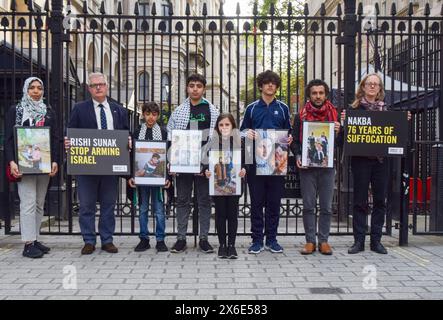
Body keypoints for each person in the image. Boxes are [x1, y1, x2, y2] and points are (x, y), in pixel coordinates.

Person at [344, 73, 411, 255]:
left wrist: (403, 123)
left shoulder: (388, 111)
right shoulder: (354, 110)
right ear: (363, 87)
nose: (372, 87)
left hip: (381, 163)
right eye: (369, 84)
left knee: (380, 201)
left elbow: (396, 136)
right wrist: (343, 125)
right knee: (359, 201)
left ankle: (376, 241)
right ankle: (359, 241)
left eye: (376, 84)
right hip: (361, 162)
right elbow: (344, 140)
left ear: (380, 89)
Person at [66, 72, 129, 255]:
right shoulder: (79, 108)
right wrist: (69, 141)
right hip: (87, 165)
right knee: (86, 204)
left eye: (101, 84)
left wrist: (128, 141)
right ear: (89, 88)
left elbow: (125, 133)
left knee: (109, 204)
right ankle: (89, 240)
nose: (99, 88)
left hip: (110, 166)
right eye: (95, 85)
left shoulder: (118, 109)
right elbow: (71, 131)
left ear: (107, 86)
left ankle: (107, 240)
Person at [5, 76, 59, 258]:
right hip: (23, 164)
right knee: (28, 203)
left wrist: (55, 161)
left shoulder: (48, 111)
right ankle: (28, 244)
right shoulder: (17, 110)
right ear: (26, 90)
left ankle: (35, 238)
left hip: (43, 164)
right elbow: (9, 139)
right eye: (32, 88)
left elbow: (55, 139)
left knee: (38, 204)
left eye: (39, 88)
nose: (36, 91)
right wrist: (12, 161)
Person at [240, 70, 292, 254]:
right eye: (267, 82)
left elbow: (289, 132)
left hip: (277, 161)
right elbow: (241, 132)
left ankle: (272, 239)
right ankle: (256, 240)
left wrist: (290, 139)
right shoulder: (251, 108)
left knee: (274, 202)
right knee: (256, 202)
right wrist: (247, 134)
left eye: (273, 83)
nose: (270, 85)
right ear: (261, 85)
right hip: (256, 162)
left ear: (277, 87)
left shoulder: (284, 108)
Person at [167, 73, 220, 253]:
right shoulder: (179, 111)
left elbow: (217, 139)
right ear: (187, 88)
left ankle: (203, 239)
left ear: (204, 89)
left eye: (198, 85)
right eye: (192, 85)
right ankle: (181, 238)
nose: (195, 88)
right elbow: (171, 137)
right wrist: (172, 162)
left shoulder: (212, 111)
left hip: (204, 163)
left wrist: (207, 165)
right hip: (183, 163)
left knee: (204, 201)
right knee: (182, 200)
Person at [291, 79, 340, 255]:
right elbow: (294, 140)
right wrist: (297, 155)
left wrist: (339, 131)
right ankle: (310, 241)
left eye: (321, 93)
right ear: (309, 95)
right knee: (308, 206)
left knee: (326, 206)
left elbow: (341, 143)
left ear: (326, 94)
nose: (318, 96)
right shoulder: (300, 116)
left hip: (327, 167)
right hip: (307, 168)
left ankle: (324, 241)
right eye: (314, 93)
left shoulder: (335, 116)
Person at [129, 102, 170, 253]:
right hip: (142, 179)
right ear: (143, 114)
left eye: (153, 114)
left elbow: (168, 157)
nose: (150, 117)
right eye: (147, 114)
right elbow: (133, 156)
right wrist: (132, 175)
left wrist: (168, 178)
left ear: (158, 115)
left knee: (159, 210)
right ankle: (144, 238)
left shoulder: (164, 133)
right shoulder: (137, 132)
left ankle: (160, 239)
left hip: (158, 179)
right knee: (143, 209)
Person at [204, 113, 246, 259]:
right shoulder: (213, 143)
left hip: (235, 184)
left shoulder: (239, 142)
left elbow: (245, 162)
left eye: (227, 124)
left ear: (233, 126)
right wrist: (207, 172)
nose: (224, 127)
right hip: (218, 185)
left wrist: (243, 170)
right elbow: (206, 163)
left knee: (232, 215)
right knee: (220, 215)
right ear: (217, 127)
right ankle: (222, 245)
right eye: (221, 125)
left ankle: (232, 245)